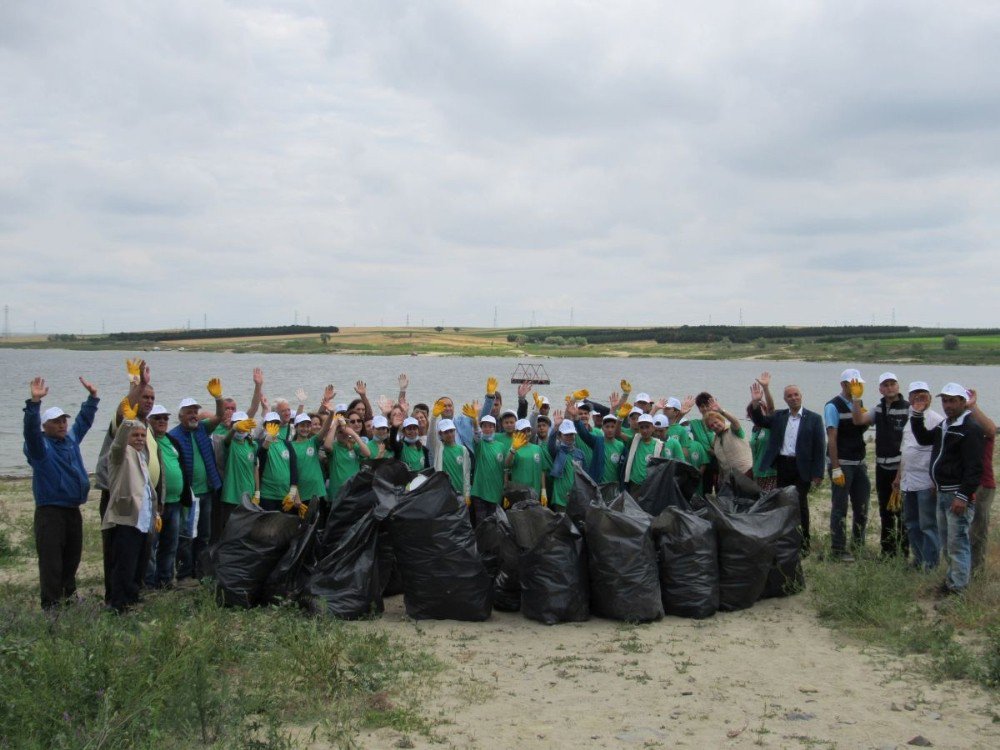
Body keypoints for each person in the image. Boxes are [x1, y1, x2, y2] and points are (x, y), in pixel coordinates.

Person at [23, 375, 100, 609]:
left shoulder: (70, 440)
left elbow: (83, 422)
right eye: (56, 421)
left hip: (72, 509)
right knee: (51, 562)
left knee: (72, 558)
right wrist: (34, 404)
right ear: (45, 426)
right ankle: (51, 605)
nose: (62, 424)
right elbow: (30, 433)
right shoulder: (40, 448)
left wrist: (92, 398)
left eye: (63, 420)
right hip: (50, 512)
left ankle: (68, 597)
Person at [910, 382, 984, 595]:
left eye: (952, 400)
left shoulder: (970, 429)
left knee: (957, 541)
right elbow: (924, 438)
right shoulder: (945, 425)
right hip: (943, 492)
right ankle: (952, 581)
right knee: (946, 541)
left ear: (963, 402)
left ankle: (959, 589)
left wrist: (962, 495)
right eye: (944, 400)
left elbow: (974, 468)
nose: (948, 405)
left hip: (957, 495)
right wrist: (917, 414)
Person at [749, 379, 826, 552]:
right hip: (783, 465)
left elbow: (820, 447)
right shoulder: (779, 416)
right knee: (783, 503)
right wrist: (755, 402)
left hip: (803, 467)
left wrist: (818, 473)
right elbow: (760, 420)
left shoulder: (814, 418)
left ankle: (804, 543)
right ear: (785, 399)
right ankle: (786, 540)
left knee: (800, 503)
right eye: (789, 396)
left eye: (796, 395)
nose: (793, 398)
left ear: (801, 396)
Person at [103, 405, 159, 613]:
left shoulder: (141, 456)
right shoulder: (120, 454)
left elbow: (145, 487)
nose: (139, 438)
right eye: (135, 435)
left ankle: (132, 596)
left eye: (142, 435)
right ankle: (119, 603)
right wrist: (127, 423)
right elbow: (117, 444)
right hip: (126, 517)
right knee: (124, 563)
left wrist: (155, 511)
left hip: (143, 518)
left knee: (138, 562)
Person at [169, 379, 225, 582]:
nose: (193, 415)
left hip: (207, 491)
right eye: (189, 412)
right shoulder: (173, 435)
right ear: (180, 415)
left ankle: (201, 572)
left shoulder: (202, 429)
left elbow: (219, 416)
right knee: (186, 536)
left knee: (204, 534)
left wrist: (218, 397)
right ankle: (184, 574)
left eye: (195, 411)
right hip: (188, 496)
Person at [850, 372, 910, 557]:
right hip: (882, 466)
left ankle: (903, 552)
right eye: (886, 384)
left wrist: (901, 472)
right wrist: (856, 398)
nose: (890, 387)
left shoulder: (908, 408)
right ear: (880, 389)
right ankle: (887, 552)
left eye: (893, 383)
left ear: (898, 386)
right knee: (885, 510)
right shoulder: (879, 408)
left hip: (901, 467)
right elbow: (858, 420)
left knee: (902, 512)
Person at [825, 369, 872, 560]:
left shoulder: (857, 403)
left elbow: (861, 426)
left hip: (859, 462)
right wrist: (835, 467)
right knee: (840, 507)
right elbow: (832, 438)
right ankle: (838, 549)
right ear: (844, 385)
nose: (858, 387)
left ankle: (858, 545)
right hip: (842, 462)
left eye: (859, 385)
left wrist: (857, 402)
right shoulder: (832, 406)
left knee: (862, 506)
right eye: (854, 384)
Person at [896, 382, 943, 570]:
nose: (919, 399)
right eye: (915, 396)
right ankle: (918, 560)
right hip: (908, 481)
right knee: (911, 524)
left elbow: (940, 453)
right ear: (909, 399)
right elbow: (904, 450)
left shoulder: (936, 420)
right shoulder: (909, 419)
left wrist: (935, 480)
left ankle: (931, 565)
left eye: (923, 396)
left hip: (926, 481)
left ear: (930, 398)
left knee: (928, 525)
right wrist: (898, 476)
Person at [145, 404, 190, 589]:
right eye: (157, 418)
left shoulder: (172, 441)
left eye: (165, 418)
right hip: (156, 505)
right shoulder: (148, 441)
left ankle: (165, 581)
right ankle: (148, 583)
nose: (162, 421)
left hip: (175, 503)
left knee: (170, 545)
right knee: (150, 546)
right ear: (148, 421)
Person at [966, 389, 996, 575]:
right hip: (963, 484)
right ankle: (964, 571)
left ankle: (976, 573)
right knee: (963, 532)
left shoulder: (981, 428)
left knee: (977, 532)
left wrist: (973, 406)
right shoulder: (957, 426)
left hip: (982, 484)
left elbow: (991, 429)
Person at [703, 409, 753, 480]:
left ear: (721, 420)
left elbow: (735, 422)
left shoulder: (733, 430)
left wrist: (722, 411)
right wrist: (720, 478)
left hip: (746, 473)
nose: (715, 426)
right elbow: (720, 462)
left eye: (716, 422)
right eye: (711, 425)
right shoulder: (716, 441)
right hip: (730, 478)